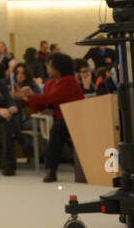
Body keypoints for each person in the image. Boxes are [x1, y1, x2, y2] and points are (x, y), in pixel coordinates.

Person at [15, 52, 85, 183]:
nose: (46, 68)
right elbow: (45, 104)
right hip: (61, 118)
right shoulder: (50, 84)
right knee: (56, 130)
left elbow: (51, 98)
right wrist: (27, 99)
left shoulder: (70, 82)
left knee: (56, 130)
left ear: (58, 68)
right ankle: (52, 168)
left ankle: (51, 169)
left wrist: (26, 97)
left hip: (75, 118)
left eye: (49, 65)